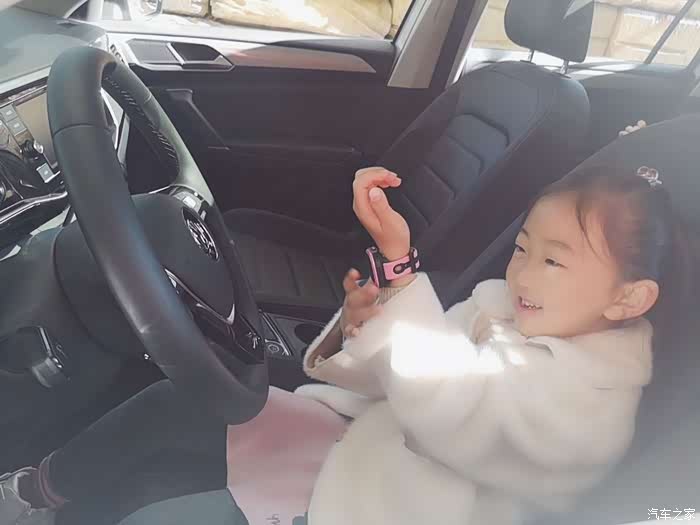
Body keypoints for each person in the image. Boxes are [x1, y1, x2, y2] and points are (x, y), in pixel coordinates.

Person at [0, 161, 689, 525]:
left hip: (392, 509)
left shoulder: (590, 408)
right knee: (175, 399)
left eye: (554, 260)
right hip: (359, 443)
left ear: (628, 299)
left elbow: (453, 411)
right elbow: (404, 375)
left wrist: (401, 273)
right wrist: (368, 323)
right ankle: (36, 487)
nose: (522, 272)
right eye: (522, 247)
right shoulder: (499, 304)